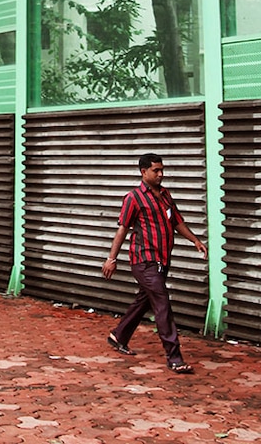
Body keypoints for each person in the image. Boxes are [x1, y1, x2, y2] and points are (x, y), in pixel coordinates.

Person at [102, 153, 208, 374]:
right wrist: (112, 259)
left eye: (162, 170)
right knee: (162, 304)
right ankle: (175, 357)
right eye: (156, 170)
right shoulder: (133, 198)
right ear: (144, 172)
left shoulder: (165, 195)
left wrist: (195, 241)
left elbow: (177, 221)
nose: (161, 174)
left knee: (145, 300)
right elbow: (122, 228)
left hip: (162, 259)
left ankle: (118, 335)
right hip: (144, 261)